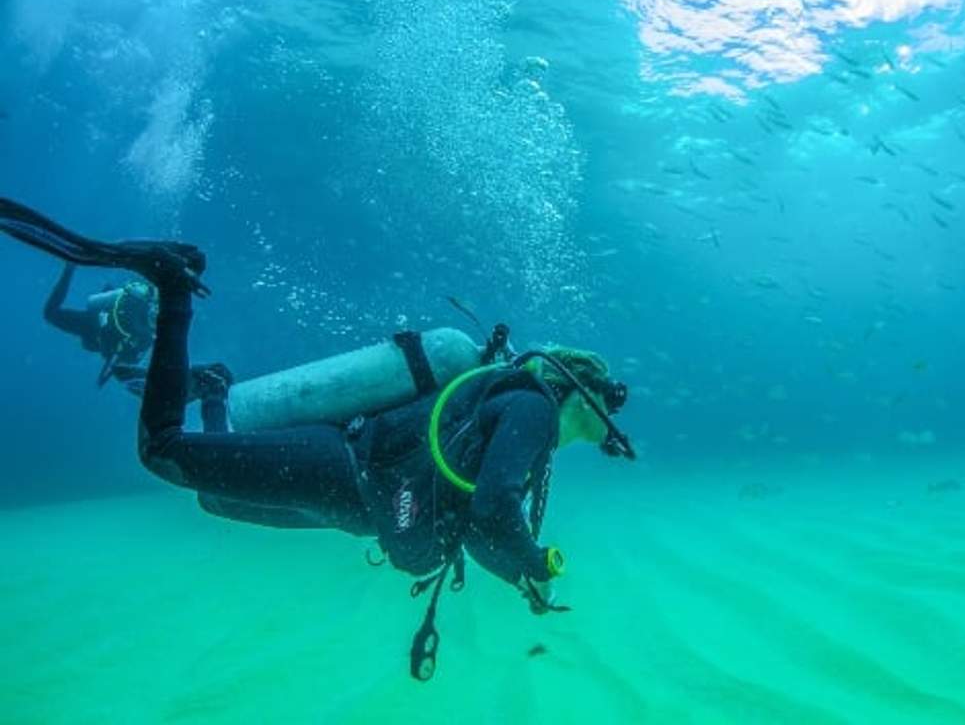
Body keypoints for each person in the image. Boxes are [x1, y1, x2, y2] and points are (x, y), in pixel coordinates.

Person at [0, 196, 635, 680]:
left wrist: (523, 580)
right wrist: (536, 564)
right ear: (583, 392)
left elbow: (475, 521)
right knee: (165, 453)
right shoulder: (534, 409)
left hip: (356, 501)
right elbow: (496, 506)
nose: (598, 433)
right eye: (603, 413)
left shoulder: (520, 416)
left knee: (214, 499)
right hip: (346, 471)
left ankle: (216, 388)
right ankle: (171, 289)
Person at [42, 262, 157, 386]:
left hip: (99, 321)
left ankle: (70, 266)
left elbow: (127, 360)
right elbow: (125, 360)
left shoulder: (148, 331)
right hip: (96, 323)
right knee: (51, 314)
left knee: (51, 314)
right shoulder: (148, 334)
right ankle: (70, 267)